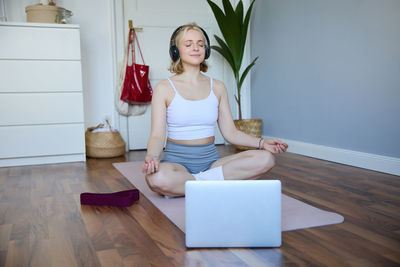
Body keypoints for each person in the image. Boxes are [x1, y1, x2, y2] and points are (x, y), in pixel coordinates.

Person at [142, 23, 288, 197]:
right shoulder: (164, 88)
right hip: (177, 163)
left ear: (206, 50)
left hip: (211, 163)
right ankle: (210, 183)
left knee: (266, 159)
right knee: (157, 179)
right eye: (188, 44)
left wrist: (262, 143)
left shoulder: (217, 87)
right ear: (176, 51)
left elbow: (231, 133)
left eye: (201, 44)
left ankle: (193, 185)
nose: (196, 48)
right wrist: (152, 156)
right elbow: (157, 135)